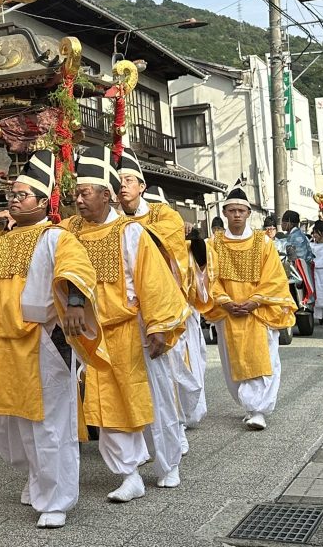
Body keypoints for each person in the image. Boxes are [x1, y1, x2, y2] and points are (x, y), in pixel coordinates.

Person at [0, 151, 105, 529]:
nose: (14, 198)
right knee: (13, 425)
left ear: (43, 202)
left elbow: (77, 266)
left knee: (50, 424)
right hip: (7, 345)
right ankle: (37, 480)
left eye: (23, 194)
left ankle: (57, 499)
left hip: (45, 339)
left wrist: (75, 301)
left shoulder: (56, 236)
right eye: (12, 193)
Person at [62, 146, 189, 502]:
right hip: (97, 336)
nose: (79, 200)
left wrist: (159, 327)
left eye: (85, 193)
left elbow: (153, 282)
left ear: (106, 195)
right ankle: (129, 473)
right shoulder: (72, 233)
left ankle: (168, 464)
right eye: (76, 193)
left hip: (136, 330)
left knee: (156, 398)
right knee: (108, 404)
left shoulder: (130, 233)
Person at [117, 155, 207, 439]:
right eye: (118, 181)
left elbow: (165, 242)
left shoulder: (164, 215)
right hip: (125, 310)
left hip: (162, 306)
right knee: (135, 376)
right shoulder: (111, 220)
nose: (123, 187)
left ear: (142, 185)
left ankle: (175, 429)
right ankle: (144, 436)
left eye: (128, 180)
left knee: (172, 373)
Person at [205, 187, 296, 429]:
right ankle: (249, 406)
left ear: (248, 214)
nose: (236, 215)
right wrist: (225, 301)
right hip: (228, 312)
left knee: (263, 358)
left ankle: (258, 410)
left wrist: (255, 300)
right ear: (224, 213)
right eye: (232, 210)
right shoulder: (213, 243)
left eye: (241, 211)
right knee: (233, 362)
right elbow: (209, 278)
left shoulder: (263, 242)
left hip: (259, 311)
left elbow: (274, 277)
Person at [281, 209, 315, 310]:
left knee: (300, 296)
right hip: (299, 268)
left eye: (283, 222)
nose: (282, 225)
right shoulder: (294, 235)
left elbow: (295, 257)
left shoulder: (296, 237)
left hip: (299, 270)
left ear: (289, 223)